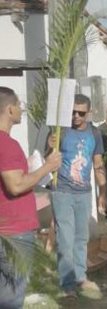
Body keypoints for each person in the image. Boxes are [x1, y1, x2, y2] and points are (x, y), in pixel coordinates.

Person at [0, 87, 61, 308]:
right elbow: (15, 186)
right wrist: (48, 166)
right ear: (9, 109)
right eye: (18, 104)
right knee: (11, 296)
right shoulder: (6, 144)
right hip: (12, 233)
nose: (21, 109)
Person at [47, 94, 107, 298]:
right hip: (62, 191)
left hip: (84, 192)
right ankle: (67, 282)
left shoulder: (95, 133)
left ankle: (80, 276)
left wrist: (102, 192)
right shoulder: (60, 131)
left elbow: (98, 163)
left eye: (81, 113)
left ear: (88, 113)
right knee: (65, 238)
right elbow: (49, 159)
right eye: (72, 112)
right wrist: (49, 144)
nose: (76, 116)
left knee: (82, 237)